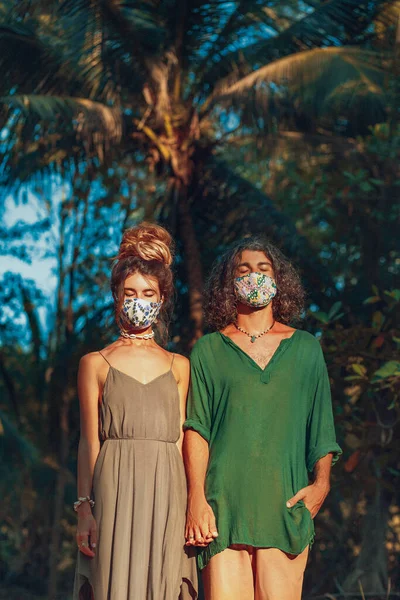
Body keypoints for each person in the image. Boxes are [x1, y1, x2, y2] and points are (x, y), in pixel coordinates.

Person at [183, 236, 342, 600]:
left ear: (279, 279)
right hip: (223, 509)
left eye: (263, 269)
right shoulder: (208, 350)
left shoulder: (306, 348)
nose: (253, 276)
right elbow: (197, 428)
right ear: (228, 282)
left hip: (283, 508)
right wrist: (196, 498)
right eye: (244, 270)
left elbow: (321, 426)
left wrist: (321, 484)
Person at [73, 222, 197, 600]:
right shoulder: (94, 363)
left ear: (161, 299)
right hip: (113, 488)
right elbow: (89, 442)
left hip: (168, 490)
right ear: (116, 295)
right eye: (130, 292)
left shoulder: (180, 365)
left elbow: (180, 442)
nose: (138, 300)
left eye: (148, 293)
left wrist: (192, 504)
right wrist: (83, 509)